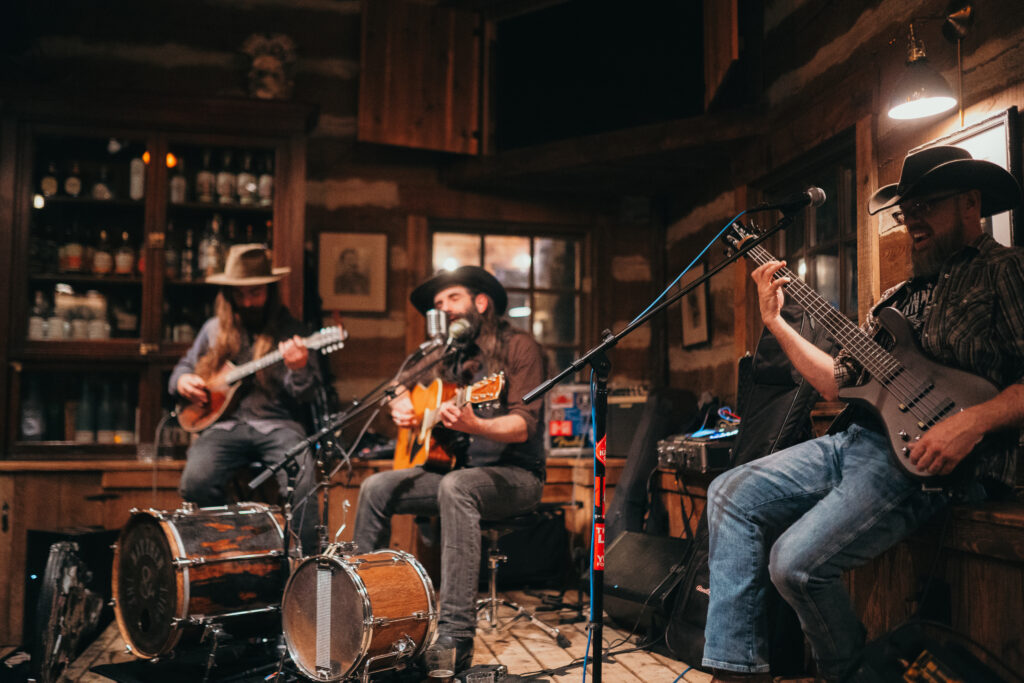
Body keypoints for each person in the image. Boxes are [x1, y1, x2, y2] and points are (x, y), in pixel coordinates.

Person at [703, 146, 1024, 682]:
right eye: (906, 209)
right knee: (728, 494)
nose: (912, 219)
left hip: (925, 460)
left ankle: (850, 675)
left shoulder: (1005, 271)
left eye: (927, 205)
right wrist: (778, 323)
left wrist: (972, 423)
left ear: (972, 203)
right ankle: (735, 672)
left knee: (794, 564)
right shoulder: (898, 298)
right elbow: (837, 381)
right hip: (856, 442)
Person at [352, 265, 547, 673]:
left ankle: (456, 635)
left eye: (452, 298)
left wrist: (477, 425)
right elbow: (397, 384)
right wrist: (399, 401)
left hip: (517, 476)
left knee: (456, 487)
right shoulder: (444, 352)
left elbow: (522, 424)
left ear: (481, 302)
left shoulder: (520, 349)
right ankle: (362, 614)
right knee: (375, 487)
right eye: (438, 305)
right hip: (455, 472)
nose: (445, 308)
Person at [170, 243, 323, 554]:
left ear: (269, 291)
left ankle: (309, 565)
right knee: (195, 482)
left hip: (277, 425)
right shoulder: (213, 329)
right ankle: (220, 552)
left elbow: (307, 394)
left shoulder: (292, 333)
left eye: (255, 293)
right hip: (223, 427)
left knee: (303, 481)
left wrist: (300, 367)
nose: (248, 301)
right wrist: (183, 381)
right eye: (240, 294)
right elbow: (183, 368)